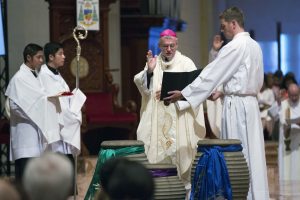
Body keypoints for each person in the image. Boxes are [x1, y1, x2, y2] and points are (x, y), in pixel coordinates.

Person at [165, 7, 269, 199]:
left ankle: (241, 195)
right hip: (250, 105)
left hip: (238, 108)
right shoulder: (254, 45)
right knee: (253, 155)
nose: (222, 31)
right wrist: (222, 91)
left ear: (233, 24)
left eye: (223, 27)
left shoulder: (235, 46)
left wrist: (185, 93)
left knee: (238, 155)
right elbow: (242, 77)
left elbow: (212, 73)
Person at [133, 29, 206, 195]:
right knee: (158, 166)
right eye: (165, 46)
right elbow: (144, 89)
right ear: (159, 46)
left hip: (180, 118)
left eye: (172, 45)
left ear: (177, 44)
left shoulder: (186, 63)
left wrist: (179, 96)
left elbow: (197, 91)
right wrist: (150, 72)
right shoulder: (153, 62)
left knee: (183, 167)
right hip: (158, 121)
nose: (169, 49)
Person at [5, 43, 60, 183]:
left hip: (36, 133)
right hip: (25, 134)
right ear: (29, 57)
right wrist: (35, 112)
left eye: (42, 57)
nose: (42, 61)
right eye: (39, 57)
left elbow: (40, 99)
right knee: (25, 178)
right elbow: (13, 107)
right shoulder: (19, 79)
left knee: (35, 179)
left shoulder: (35, 77)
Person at [277, 83, 300, 181]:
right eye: (292, 95)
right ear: (288, 94)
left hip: (298, 138)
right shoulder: (284, 104)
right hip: (288, 138)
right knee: (287, 168)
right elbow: (283, 120)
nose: (294, 98)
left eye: (296, 95)